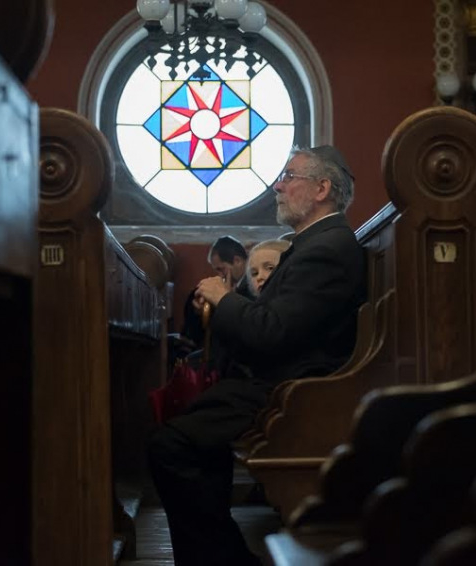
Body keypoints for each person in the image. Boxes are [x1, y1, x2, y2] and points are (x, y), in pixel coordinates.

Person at [147, 145, 367, 566]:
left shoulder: (327, 248)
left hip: (291, 390)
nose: (278, 186)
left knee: (170, 446)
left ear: (322, 189)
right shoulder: (312, 244)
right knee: (189, 441)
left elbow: (272, 332)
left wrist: (225, 298)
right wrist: (223, 307)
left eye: (289, 176)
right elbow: (273, 320)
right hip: (275, 382)